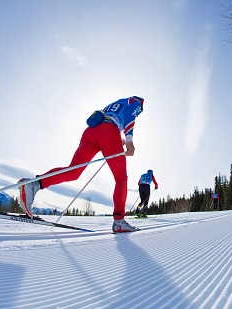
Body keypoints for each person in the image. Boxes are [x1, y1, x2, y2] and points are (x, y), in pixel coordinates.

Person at [18, 96, 144, 233]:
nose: (138, 113)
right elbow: (129, 114)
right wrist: (129, 140)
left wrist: (117, 139)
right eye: (139, 112)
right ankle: (119, 221)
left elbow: (108, 121)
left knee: (73, 171)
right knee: (121, 178)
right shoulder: (137, 101)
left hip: (90, 132)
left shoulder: (114, 104)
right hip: (108, 132)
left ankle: (34, 184)